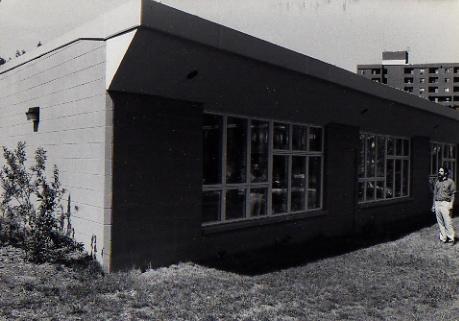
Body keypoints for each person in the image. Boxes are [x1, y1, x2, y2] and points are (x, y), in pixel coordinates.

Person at [431, 167, 456, 245]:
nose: (439, 172)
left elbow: (453, 194)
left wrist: (451, 204)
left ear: (445, 173)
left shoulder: (450, 182)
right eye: (439, 171)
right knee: (440, 222)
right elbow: (434, 194)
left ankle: (451, 239)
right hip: (437, 203)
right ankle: (443, 238)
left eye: (441, 171)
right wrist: (433, 205)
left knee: (447, 221)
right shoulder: (437, 182)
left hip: (446, 203)